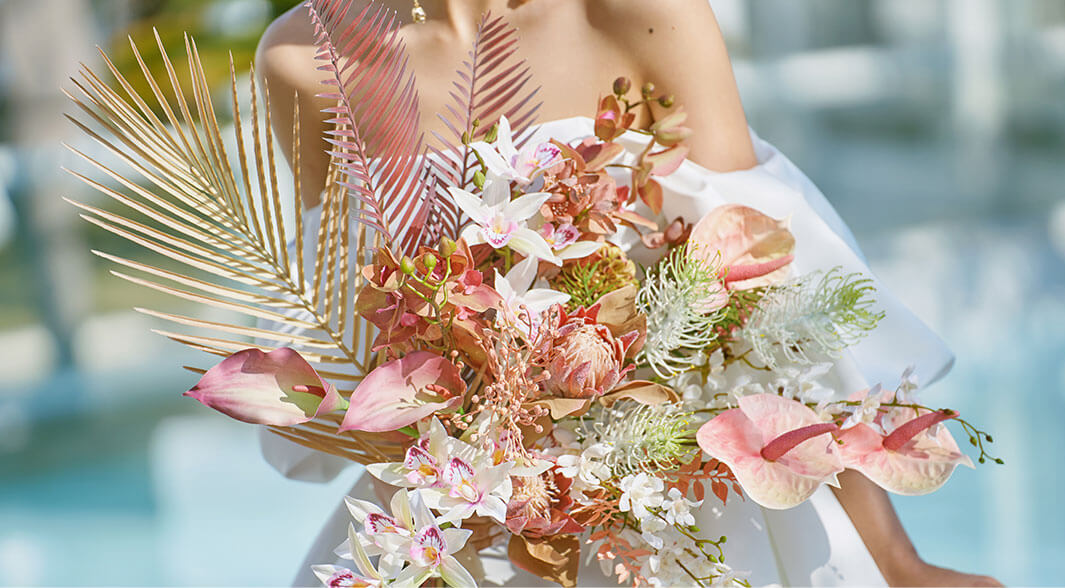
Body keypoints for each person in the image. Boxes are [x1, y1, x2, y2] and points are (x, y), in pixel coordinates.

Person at [254, 1, 1002, 585]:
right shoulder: (302, 59)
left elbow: (777, 308)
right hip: (468, 521)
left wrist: (898, 563)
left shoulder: (645, 12)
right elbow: (360, 333)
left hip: (690, 518)